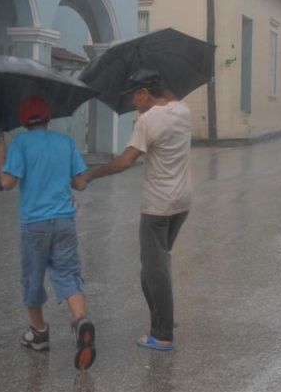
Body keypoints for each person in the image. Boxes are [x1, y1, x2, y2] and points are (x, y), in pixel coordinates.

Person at [84, 69, 191, 352]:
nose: (133, 102)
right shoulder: (183, 110)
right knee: (156, 265)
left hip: (158, 207)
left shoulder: (148, 120)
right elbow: (169, 97)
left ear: (145, 92)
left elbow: (125, 161)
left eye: (134, 95)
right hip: (182, 203)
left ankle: (163, 333)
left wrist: (90, 176)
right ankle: (163, 316)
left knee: (154, 271)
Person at [0, 96, 96, 370]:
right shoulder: (65, 142)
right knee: (67, 272)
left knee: (33, 278)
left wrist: (1, 155)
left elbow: (6, 182)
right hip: (64, 222)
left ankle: (38, 333)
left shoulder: (20, 144)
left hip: (35, 225)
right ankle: (80, 321)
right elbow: (80, 183)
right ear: (48, 119)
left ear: (23, 122)